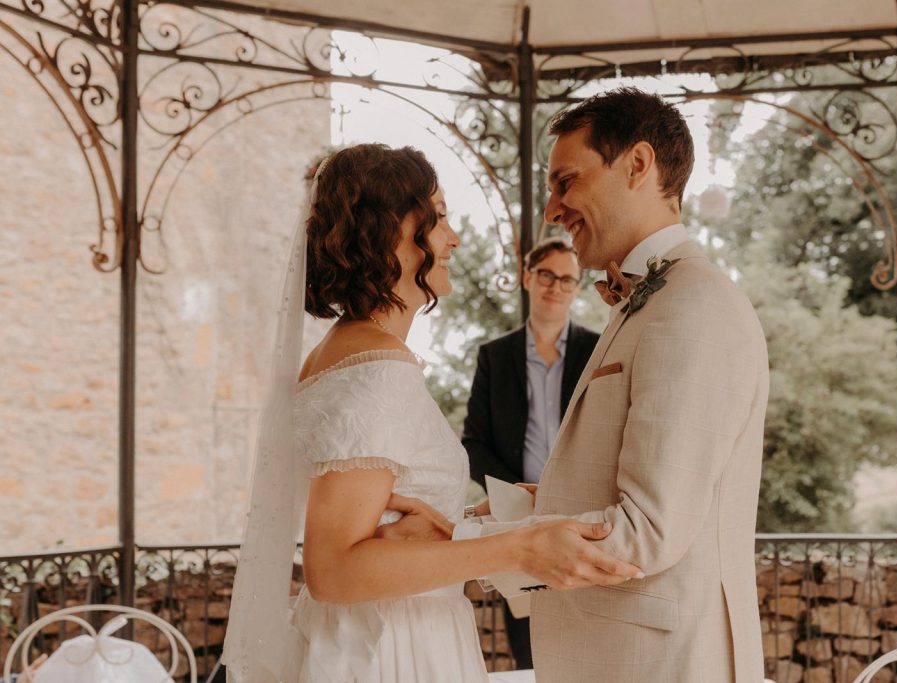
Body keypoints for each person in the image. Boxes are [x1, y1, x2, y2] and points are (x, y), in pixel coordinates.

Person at [222, 143, 642, 683]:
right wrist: (518, 546)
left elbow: (380, 526)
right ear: (389, 231)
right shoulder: (377, 369)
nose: (453, 238)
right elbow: (334, 569)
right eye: (439, 217)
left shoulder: (345, 349)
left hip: (381, 631)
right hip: (392, 649)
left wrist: (474, 521)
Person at [446, 88, 770, 681]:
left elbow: (646, 531)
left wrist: (467, 544)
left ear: (638, 165)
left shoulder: (692, 306)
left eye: (565, 181)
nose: (551, 208)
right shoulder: (648, 300)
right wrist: (496, 517)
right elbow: (599, 484)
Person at [462, 236, 598, 668]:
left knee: (588, 652)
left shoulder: (598, 352)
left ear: (576, 287)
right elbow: (473, 443)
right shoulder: (493, 357)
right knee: (530, 656)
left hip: (583, 518)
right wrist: (513, 498)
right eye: (546, 275)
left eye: (566, 279)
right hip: (517, 523)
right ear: (527, 277)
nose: (555, 286)